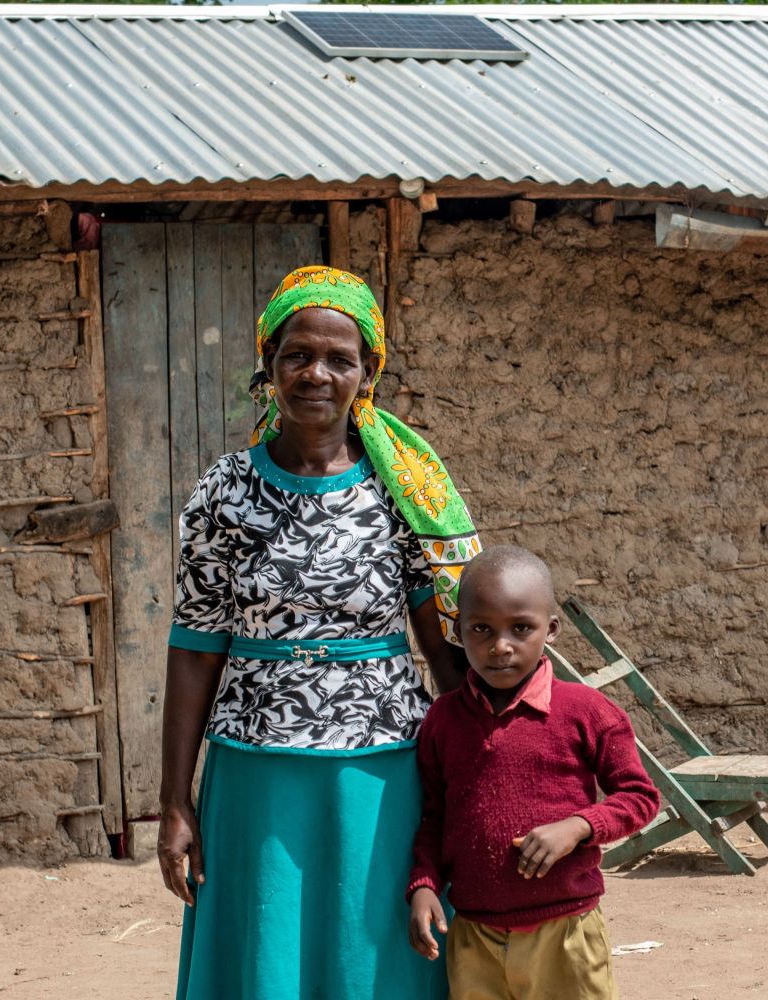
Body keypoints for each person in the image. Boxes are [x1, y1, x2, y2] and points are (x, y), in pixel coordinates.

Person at [159, 266, 482, 999]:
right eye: (297, 354)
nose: (316, 373)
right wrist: (176, 800)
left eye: (339, 359)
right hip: (254, 768)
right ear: (268, 365)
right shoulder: (225, 490)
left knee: (372, 952)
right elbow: (195, 645)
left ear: (366, 373)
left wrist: (493, 768)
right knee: (265, 949)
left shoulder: (400, 488)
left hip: (382, 766)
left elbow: (441, 648)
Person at [407, 545, 660, 1000]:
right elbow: (433, 817)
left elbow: (640, 798)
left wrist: (580, 826)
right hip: (474, 938)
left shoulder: (587, 711)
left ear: (552, 629)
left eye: (521, 628)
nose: (500, 645)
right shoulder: (443, 721)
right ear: (458, 633)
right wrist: (423, 886)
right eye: (480, 629)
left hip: (565, 935)